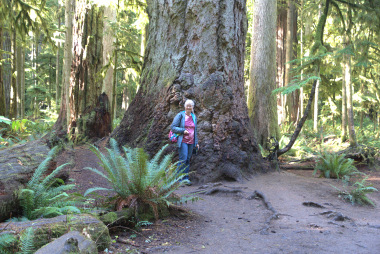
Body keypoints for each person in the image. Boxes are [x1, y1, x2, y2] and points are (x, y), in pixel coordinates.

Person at [171, 99, 199, 184]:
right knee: (183, 159)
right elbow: (173, 127)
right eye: (187, 105)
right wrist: (183, 131)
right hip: (183, 141)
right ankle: (178, 179)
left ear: (192, 107)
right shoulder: (180, 115)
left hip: (191, 142)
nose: (188, 107)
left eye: (190, 106)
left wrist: (196, 142)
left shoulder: (194, 117)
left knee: (187, 160)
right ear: (185, 106)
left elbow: (195, 131)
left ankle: (185, 179)